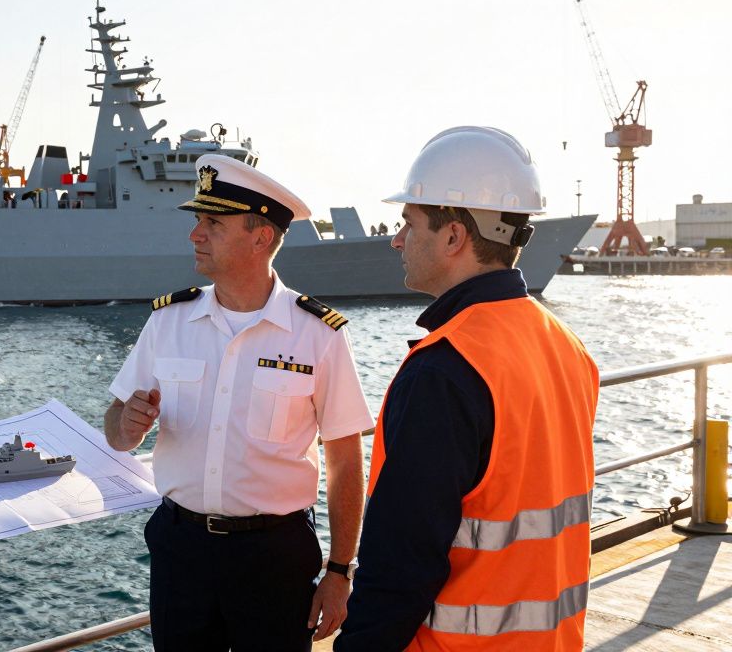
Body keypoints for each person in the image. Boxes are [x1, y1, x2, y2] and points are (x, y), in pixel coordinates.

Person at [335, 127, 599, 651]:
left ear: (453, 237)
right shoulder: (567, 347)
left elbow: (400, 565)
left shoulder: (443, 371)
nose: (395, 239)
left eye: (407, 224)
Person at [105, 153, 374, 651]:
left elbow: (344, 463)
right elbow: (115, 424)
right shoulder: (168, 321)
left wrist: (340, 570)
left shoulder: (319, 335)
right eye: (197, 221)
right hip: (180, 549)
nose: (195, 234)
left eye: (212, 222)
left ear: (261, 237)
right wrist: (127, 426)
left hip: (274, 556)